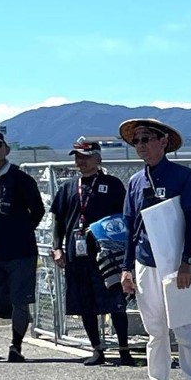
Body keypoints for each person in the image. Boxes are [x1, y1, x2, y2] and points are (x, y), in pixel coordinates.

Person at [118, 119, 191, 380]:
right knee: (154, 330)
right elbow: (131, 227)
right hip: (145, 263)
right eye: (136, 141)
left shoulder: (183, 176)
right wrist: (126, 268)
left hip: (175, 263)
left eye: (146, 139)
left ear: (163, 141)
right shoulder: (134, 182)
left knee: (184, 326)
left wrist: (188, 261)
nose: (141, 145)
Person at [47, 138, 131, 365]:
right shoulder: (67, 188)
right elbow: (58, 221)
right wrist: (57, 248)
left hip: (107, 254)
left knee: (115, 300)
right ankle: (97, 349)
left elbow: (124, 219)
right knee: (84, 303)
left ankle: (124, 350)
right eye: (77, 157)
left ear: (98, 158)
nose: (80, 162)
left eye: (85, 157)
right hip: (77, 253)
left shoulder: (112, 184)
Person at [0, 126, 44, 362]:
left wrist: (21, 232)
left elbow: (38, 210)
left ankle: (16, 347)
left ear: (7, 148)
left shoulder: (21, 178)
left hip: (21, 254)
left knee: (20, 302)